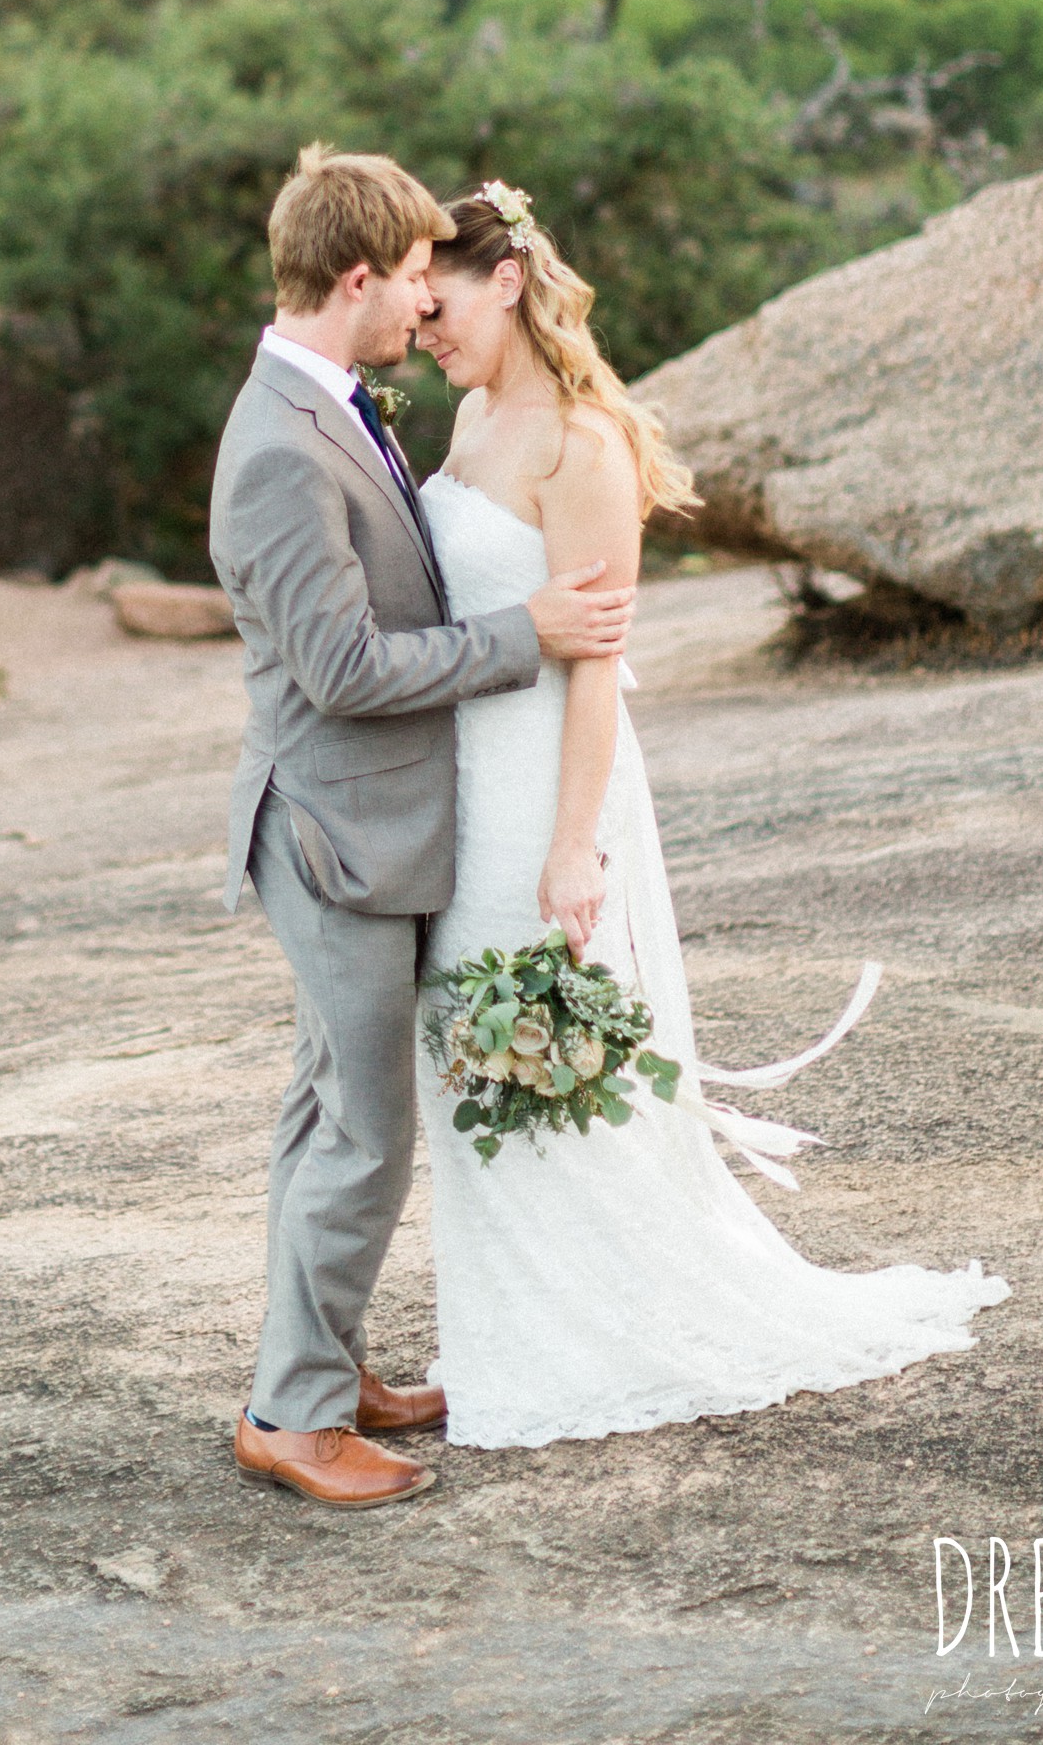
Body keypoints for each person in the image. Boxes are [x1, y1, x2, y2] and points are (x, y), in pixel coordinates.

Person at [411, 181, 1010, 1449]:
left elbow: (593, 667)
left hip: (542, 788)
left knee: (554, 1051)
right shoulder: (467, 419)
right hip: (462, 787)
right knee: (469, 1051)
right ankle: (513, 1325)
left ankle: (603, 1324)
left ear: (505, 280)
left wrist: (573, 846)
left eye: (439, 298)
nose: (422, 325)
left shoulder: (583, 442)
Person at [209, 145, 638, 1508]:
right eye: (405, 279)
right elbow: (340, 671)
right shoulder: (283, 446)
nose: (423, 306)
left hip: (363, 825)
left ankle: (321, 1367)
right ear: (353, 280)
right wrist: (528, 635)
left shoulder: (329, 400)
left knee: (324, 1113)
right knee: (363, 1134)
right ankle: (295, 1417)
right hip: (337, 836)